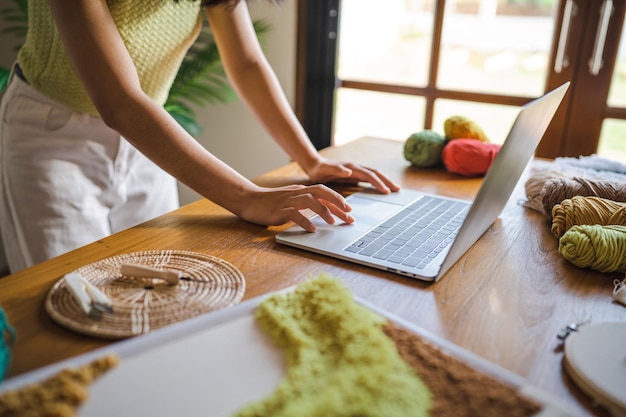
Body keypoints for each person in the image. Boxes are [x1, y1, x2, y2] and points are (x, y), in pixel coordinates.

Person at [0, 0, 399, 273]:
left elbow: (246, 63)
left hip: (146, 141)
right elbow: (119, 102)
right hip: (51, 139)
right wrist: (247, 197)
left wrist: (310, 160)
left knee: (159, 285)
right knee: (70, 302)